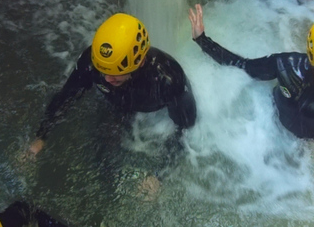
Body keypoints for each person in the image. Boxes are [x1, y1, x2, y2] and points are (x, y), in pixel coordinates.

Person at [188, 4, 314, 164]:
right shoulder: (286, 66)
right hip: (269, 125)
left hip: (310, 146)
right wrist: (202, 40)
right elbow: (242, 66)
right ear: (312, 63)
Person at [29, 13, 197, 157]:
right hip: (120, 106)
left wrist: (158, 177)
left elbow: (184, 129)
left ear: (139, 62)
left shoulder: (167, 79)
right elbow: (67, 96)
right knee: (102, 151)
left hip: (152, 112)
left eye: (115, 73)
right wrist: (40, 137)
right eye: (103, 71)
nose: (107, 79)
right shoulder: (92, 62)